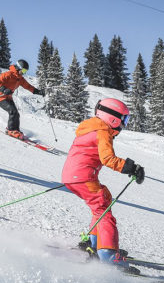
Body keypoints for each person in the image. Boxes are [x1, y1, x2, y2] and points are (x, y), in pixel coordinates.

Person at [61, 98, 145, 273]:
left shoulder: (89, 128)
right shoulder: (102, 131)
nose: (124, 125)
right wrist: (130, 167)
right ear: (113, 118)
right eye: (125, 120)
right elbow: (107, 158)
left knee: (103, 200)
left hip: (73, 177)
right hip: (83, 177)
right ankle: (107, 255)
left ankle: (94, 244)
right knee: (104, 211)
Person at [0, 59, 45, 139]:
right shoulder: (8, 74)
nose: (23, 72)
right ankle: (11, 130)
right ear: (18, 67)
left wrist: (38, 92)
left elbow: (28, 86)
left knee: (16, 113)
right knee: (12, 111)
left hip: (8, 97)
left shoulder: (20, 79)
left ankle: (16, 130)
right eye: (23, 70)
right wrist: (4, 89)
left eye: (25, 71)